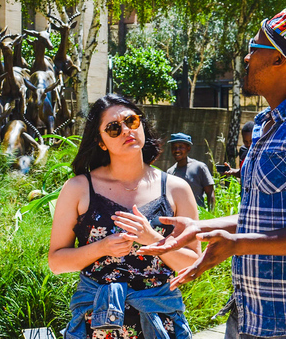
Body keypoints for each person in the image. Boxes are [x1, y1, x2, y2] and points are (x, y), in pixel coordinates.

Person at [140, 8, 286, 339]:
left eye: (255, 47)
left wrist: (239, 244)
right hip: (248, 317)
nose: (245, 57)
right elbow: (266, 219)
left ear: (280, 60)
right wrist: (201, 228)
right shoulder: (266, 126)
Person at [48, 94, 201, 339]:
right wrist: (102, 247)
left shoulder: (176, 189)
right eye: (113, 128)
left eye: (131, 121)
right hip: (96, 324)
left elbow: (194, 263)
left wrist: (153, 239)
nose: (125, 131)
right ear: (100, 141)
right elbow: (56, 262)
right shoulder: (78, 188)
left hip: (159, 322)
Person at [166, 133, 215, 210]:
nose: (177, 150)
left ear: (188, 148)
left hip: (198, 216)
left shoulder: (199, 167)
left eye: (181, 147)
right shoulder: (170, 172)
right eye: (174, 147)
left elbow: (210, 194)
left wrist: (211, 217)